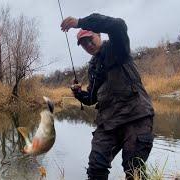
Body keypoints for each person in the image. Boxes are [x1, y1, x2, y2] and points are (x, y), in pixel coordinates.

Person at [60, 13, 155, 180]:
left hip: (135, 116)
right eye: (83, 43)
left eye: (90, 39)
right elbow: (92, 98)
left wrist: (80, 22)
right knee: (96, 167)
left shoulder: (117, 47)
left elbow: (118, 25)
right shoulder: (93, 67)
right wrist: (77, 92)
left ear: (98, 34)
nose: (88, 45)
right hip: (108, 122)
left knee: (134, 169)